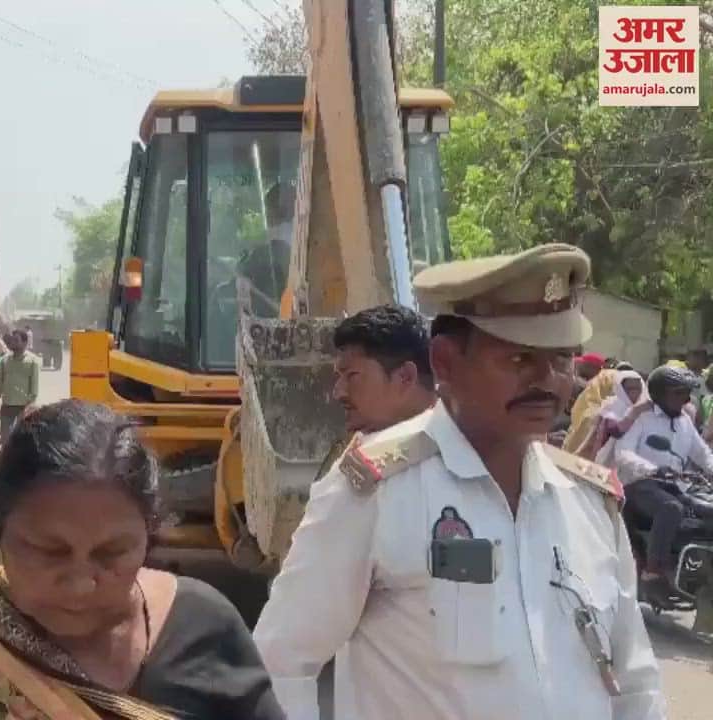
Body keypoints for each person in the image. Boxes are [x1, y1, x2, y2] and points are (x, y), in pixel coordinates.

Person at [254, 243, 664, 720]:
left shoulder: (591, 504)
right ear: (446, 363)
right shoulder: (377, 492)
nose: (547, 380)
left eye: (560, 359)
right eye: (519, 360)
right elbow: (282, 664)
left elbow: (635, 684)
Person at [0, 400, 285, 720]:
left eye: (112, 553)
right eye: (49, 551)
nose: (81, 583)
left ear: (150, 538)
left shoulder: (206, 629)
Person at [613, 365, 713, 600]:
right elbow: (623, 452)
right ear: (660, 393)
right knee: (671, 508)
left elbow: (702, 454)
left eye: (686, 393)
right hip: (640, 485)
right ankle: (652, 573)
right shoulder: (642, 418)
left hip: (675, 486)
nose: (685, 399)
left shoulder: (685, 422)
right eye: (678, 393)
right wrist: (652, 468)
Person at [332, 304, 436, 435]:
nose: (338, 393)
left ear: (405, 377)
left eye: (352, 375)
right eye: (340, 376)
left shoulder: (457, 451)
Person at [588, 369, 649, 465]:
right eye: (630, 389)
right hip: (609, 461)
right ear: (620, 388)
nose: (635, 393)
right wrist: (635, 412)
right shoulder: (612, 406)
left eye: (638, 388)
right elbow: (616, 431)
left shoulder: (645, 408)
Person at [0, 329, 41, 439]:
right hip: (6, 406)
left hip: (23, 407)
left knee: (21, 439)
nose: (12, 343)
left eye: (16, 340)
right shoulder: (5, 360)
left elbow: (34, 388)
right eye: (12, 340)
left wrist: (28, 408)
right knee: (5, 438)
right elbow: (0, 380)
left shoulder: (32, 361)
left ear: (25, 343)